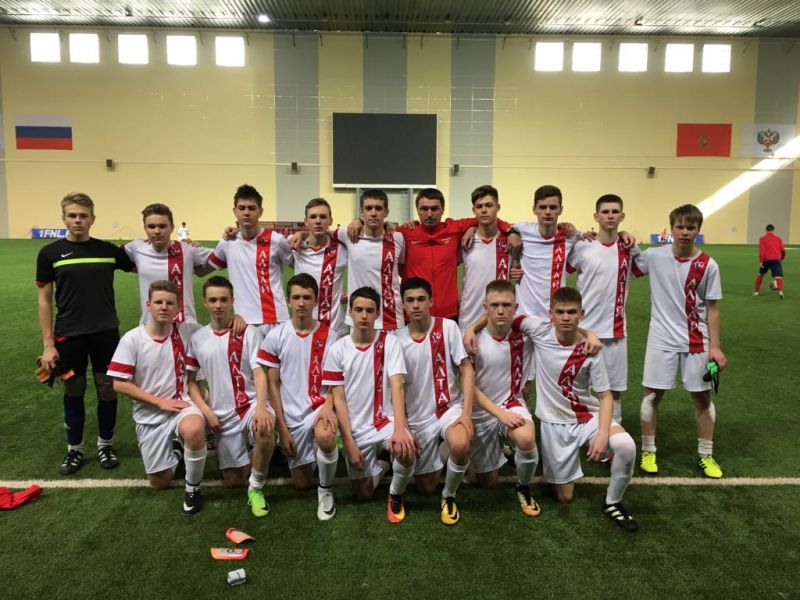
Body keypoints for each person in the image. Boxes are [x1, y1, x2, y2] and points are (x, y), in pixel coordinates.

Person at [514, 286, 638, 531]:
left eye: (572, 312)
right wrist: (473, 329)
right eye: (560, 312)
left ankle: (612, 501)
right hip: (553, 423)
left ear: (582, 314)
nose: (566, 317)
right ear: (550, 314)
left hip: (585, 415)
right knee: (565, 496)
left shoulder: (591, 349)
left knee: (626, 446)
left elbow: (605, 396)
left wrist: (602, 434)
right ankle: (553, 463)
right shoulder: (539, 331)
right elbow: (506, 315)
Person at [36, 192, 135, 475]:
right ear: (63, 218)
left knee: (107, 387)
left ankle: (106, 445)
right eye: (72, 215)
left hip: (106, 333)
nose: (78, 220)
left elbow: (146, 260)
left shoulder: (107, 251)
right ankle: (75, 450)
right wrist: (48, 344)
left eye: (83, 215)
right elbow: (44, 301)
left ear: (92, 219)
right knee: (73, 387)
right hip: (69, 335)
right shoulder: (50, 254)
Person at [636, 204, 726, 478]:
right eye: (680, 227)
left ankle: (706, 455)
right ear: (671, 228)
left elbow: (712, 309)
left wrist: (715, 347)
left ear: (698, 230)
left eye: (691, 227)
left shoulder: (708, 265)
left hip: (696, 341)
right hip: (660, 339)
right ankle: (648, 451)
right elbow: (623, 260)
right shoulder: (654, 256)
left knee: (702, 399)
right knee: (651, 397)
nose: (685, 232)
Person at [107, 281, 207, 516]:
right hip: (150, 413)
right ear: (148, 305)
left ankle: (193, 489)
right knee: (159, 483)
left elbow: (218, 324)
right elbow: (119, 383)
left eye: (169, 303)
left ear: (177, 308)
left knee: (194, 429)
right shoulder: (132, 339)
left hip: (181, 403)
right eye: (158, 302)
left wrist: (236, 319)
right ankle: (178, 451)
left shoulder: (188, 331)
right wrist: (158, 401)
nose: (164, 307)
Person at [322, 287, 417, 523]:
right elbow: (338, 400)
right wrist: (349, 444)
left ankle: (395, 494)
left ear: (377, 314)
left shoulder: (390, 343)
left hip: (385, 422)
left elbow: (397, 386)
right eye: (359, 310)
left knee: (407, 450)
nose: (364, 316)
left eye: (369, 310)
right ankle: (384, 461)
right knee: (363, 493)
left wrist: (400, 429)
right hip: (356, 428)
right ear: (350, 313)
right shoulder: (337, 350)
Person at [348, 188, 511, 321]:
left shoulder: (454, 229)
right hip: (413, 313)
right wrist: (358, 221)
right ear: (417, 210)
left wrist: (509, 230)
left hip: (448, 314)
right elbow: (378, 224)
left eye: (434, 209)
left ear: (443, 210)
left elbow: (486, 218)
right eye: (424, 209)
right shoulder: (405, 233)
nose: (430, 214)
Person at [186, 276, 276, 518]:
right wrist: (206, 411)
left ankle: (255, 488)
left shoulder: (248, 332)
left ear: (232, 301)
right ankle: (257, 453)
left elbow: (259, 373)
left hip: (249, 405)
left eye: (224, 300)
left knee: (265, 429)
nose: (218, 305)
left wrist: (261, 408)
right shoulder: (197, 339)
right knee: (233, 480)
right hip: (221, 413)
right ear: (204, 302)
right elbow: (191, 382)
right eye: (213, 300)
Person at [257, 273, 341, 521]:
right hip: (291, 415)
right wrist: (282, 429)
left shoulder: (332, 336)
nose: (301, 303)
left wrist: (327, 408)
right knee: (302, 483)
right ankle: (315, 454)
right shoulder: (276, 336)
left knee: (325, 435)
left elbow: (336, 383)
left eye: (307, 297)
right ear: (288, 301)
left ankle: (325, 491)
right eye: (296, 297)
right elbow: (273, 384)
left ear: (316, 300)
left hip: (319, 407)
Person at [395, 277, 474, 525]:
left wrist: (466, 415)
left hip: (448, 409)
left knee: (460, 444)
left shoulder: (448, 327)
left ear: (431, 301)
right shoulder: (396, 339)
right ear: (403, 304)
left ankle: (449, 496)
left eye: (421, 299)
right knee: (426, 487)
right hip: (418, 417)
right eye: (410, 300)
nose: (416, 305)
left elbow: (466, 368)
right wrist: (402, 425)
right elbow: (395, 387)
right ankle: (441, 448)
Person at [567, 194, 642, 422]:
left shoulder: (629, 248)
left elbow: (643, 268)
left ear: (622, 216)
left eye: (615, 212)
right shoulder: (582, 246)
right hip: (583, 330)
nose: (610, 216)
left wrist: (625, 235)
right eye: (605, 212)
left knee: (613, 390)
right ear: (596, 216)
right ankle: (583, 428)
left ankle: (613, 429)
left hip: (614, 331)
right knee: (577, 387)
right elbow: (561, 270)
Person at [208, 184, 293, 339]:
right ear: (235, 211)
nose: (246, 212)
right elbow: (203, 269)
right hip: (242, 322)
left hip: (276, 319)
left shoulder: (276, 240)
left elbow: (298, 264)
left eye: (252, 208)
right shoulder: (227, 242)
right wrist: (190, 246)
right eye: (242, 208)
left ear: (260, 211)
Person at [123, 204, 214, 325]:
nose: (157, 231)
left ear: (172, 227)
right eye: (151, 226)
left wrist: (231, 236)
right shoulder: (136, 247)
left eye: (162, 226)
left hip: (185, 326)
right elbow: (113, 256)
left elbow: (222, 255)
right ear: (145, 229)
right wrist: (135, 268)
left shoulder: (188, 249)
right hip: (149, 327)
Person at [337, 190, 405, 331]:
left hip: (391, 318)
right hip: (359, 317)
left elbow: (403, 268)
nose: (373, 213)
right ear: (361, 212)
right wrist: (302, 234)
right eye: (368, 208)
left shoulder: (398, 238)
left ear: (386, 212)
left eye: (378, 208)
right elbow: (322, 234)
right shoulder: (348, 235)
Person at [458, 185, 514, 331]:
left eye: (489, 205)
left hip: (500, 317)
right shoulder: (465, 241)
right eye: (479, 206)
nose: (484, 210)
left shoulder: (511, 239)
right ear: (474, 211)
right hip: (469, 317)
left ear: (498, 207)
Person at [292, 198, 348, 336]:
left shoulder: (342, 249)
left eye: (323, 217)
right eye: (313, 217)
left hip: (335, 331)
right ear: (306, 221)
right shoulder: (295, 247)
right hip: (304, 330)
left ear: (330, 221)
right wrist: (301, 234)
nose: (318, 221)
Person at [753, 224, 785, 299]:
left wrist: (761, 261)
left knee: (761, 275)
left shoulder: (762, 239)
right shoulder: (778, 239)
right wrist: (781, 259)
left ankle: (756, 292)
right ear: (773, 230)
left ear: (766, 230)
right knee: (778, 277)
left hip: (766, 260)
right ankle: (781, 292)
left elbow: (761, 251)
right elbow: (783, 250)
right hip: (776, 260)